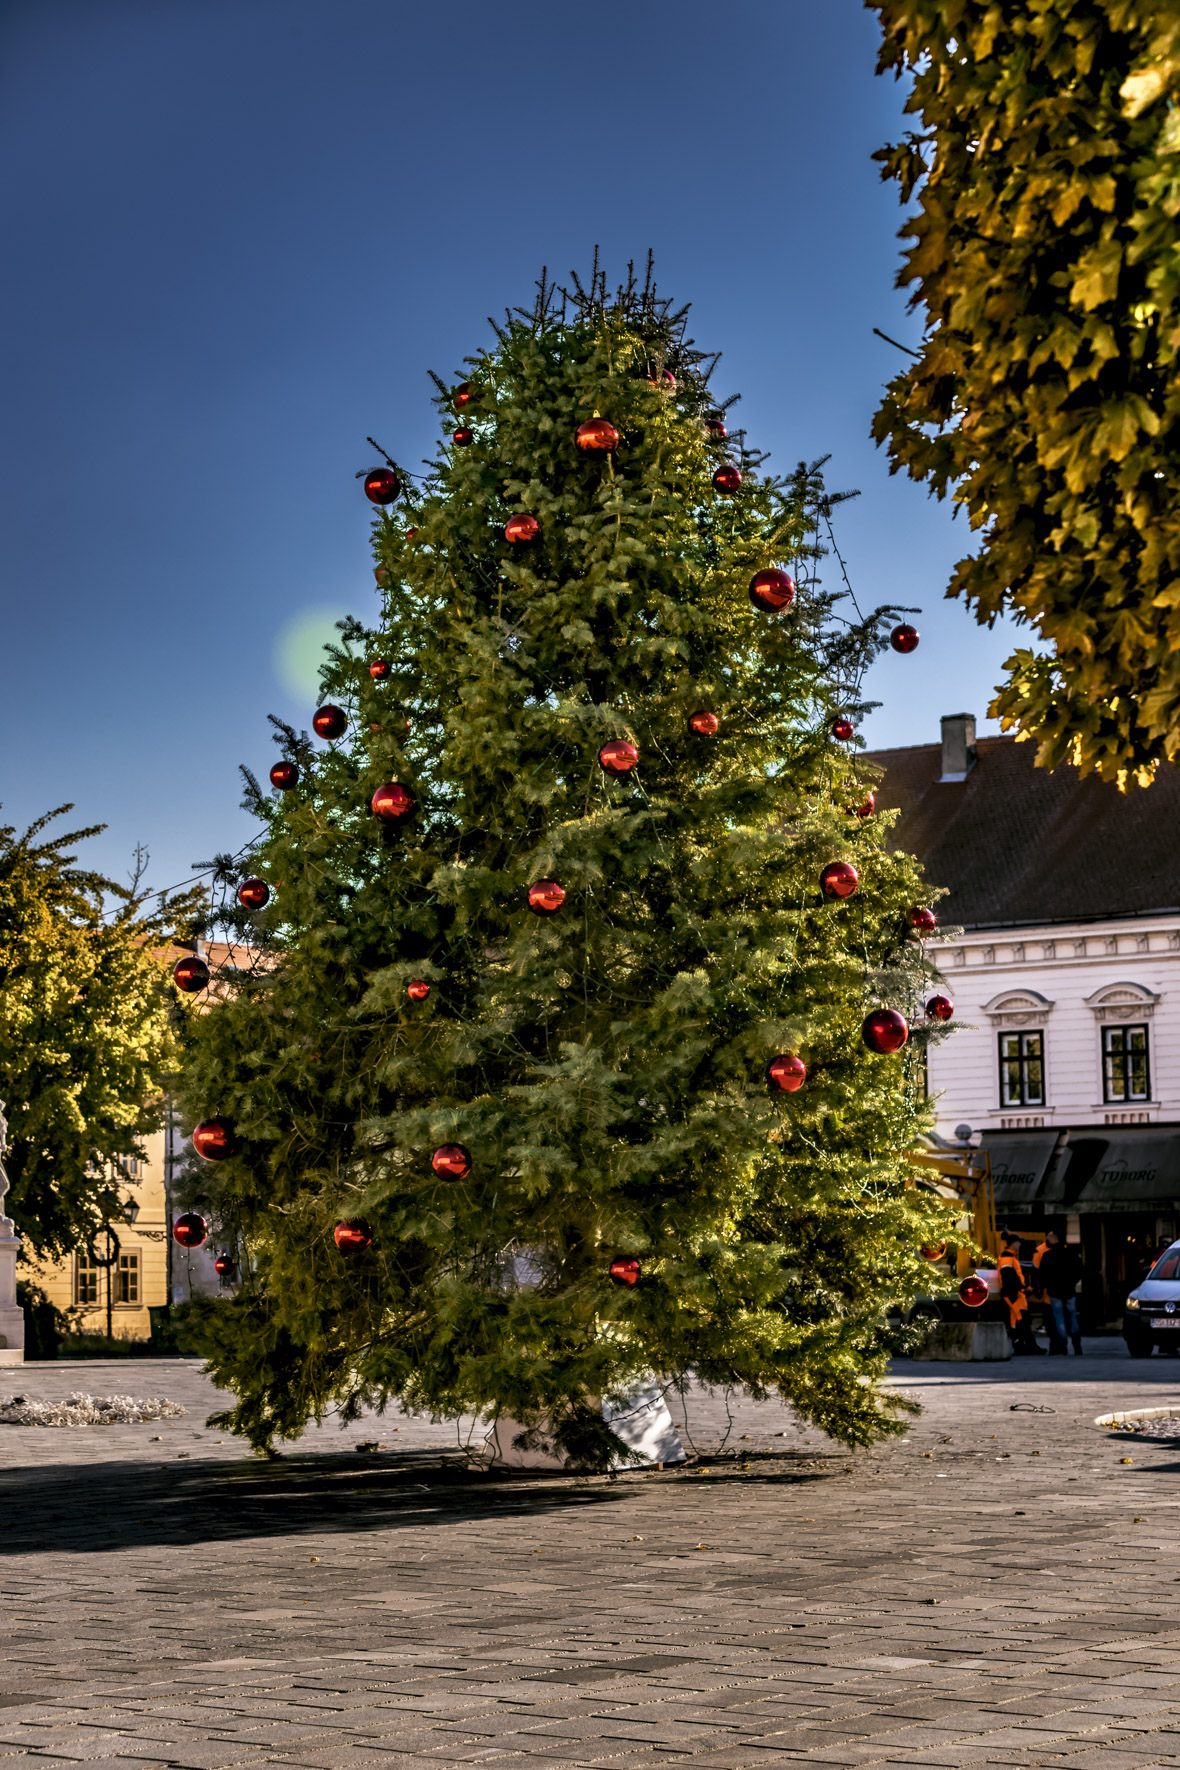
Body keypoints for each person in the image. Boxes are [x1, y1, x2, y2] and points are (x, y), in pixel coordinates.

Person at [1037, 1230, 1084, 1355]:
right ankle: (1077, 1346)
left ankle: (1063, 1347)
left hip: (1054, 1291)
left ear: (1054, 1238)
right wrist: (1072, 1282)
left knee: (1059, 1320)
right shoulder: (1071, 1253)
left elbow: (1042, 1274)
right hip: (1069, 1290)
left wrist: (1044, 1286)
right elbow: (1079, 1270)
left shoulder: (1048, 1255)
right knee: (1073, 1318)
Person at [998, 1232, 1044, 1355]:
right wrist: (1021, 1289)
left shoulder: (1010, 1257)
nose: (1020, 1244)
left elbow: (1011, 1277)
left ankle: (1020, 1347)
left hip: (1014, 1294)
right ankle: (1030, 1347)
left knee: (1016, 1322)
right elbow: (1008, 1277)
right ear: (1013, 1243)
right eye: (1018, 1242)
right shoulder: (1007, 1257)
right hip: (1014, 1295)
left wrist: (1023, 1288)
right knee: (1023, 1321)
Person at [1032, 1231, 1065, 1353]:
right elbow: (1036, 1271)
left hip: (1054, 1291)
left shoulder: (1044, 1251)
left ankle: (1058, 1347)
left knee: (1057, 1320)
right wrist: (1038, 1287)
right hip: (1051, 1293)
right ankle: (1058, 1347)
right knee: (1055, 1321)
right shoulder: (1040, 1250)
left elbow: (1037, 1271)